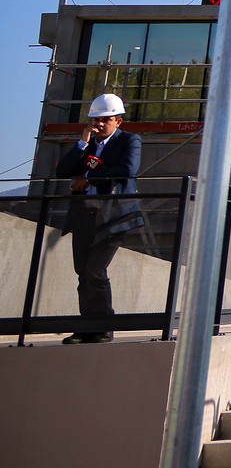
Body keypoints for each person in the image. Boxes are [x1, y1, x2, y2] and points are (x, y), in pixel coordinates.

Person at [56, 93, 143, 343]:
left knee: (95, 269)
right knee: (82, 271)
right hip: (85, 214)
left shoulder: (129, 141)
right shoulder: (89, 145)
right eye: (96, 120)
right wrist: (82, 144)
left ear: (118, 122)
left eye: (105, 120)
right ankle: (87, 326)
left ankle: (104, 325)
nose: (99, 125)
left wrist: (89, 178)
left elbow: (128, 170)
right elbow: (62, 170)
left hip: (114, 215)